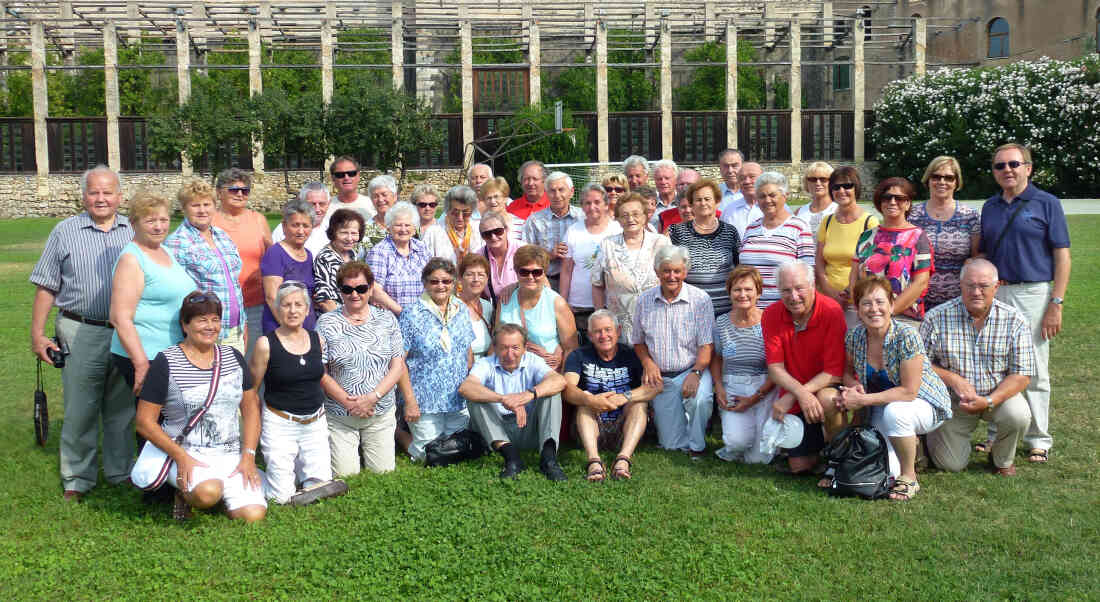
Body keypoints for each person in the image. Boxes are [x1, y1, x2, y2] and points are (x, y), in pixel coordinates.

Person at [30, 165, 134, 501]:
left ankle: (121, 473)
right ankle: (77, 477)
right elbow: (46, 285)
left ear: (120, 196)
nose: (101, 198)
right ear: (83, 196)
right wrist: (37, 335)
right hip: (79, 329)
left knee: (121, 409)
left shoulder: (134, 231)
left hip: (124, 332)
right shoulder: (64, 231)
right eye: (94, 192)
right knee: (80, 408)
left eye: (107, 192)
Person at [132, 292, 266, 522]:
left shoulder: (233, 357)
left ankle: (226, 492)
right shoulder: (166, 361)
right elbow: (144, 422)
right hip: (186, 453)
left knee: (254, 515)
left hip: (230, 453)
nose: (210, 326)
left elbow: (251, 407)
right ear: (185, 325)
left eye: (215, 320)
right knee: (207, 493)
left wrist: (249, 456)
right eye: (202, 320)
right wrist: (180, 456)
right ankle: (185, 494)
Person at [979, 143, 1070, 465]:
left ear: (1027, 168)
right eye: (999, 166)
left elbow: (1062, 255)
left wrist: (1055, 303)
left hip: (1033, 293)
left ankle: (1038, 438)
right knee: (994, 364)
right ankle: (996, 434)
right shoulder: (989, 207)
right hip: (996, 293)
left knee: (1034, 366)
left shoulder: (1046, 203)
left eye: (1013, 164)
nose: (1007, 170)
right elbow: (985, 254)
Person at [839, 275, 951, 500]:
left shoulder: (907, 336)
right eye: (866, 303)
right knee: (886, 471)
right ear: (858, 309)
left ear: (891, 305)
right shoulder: (854, 337)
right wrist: (853, 387)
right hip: (881, 406)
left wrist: (862, 401)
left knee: (896, 412)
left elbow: (909, 392)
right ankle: (910, 452)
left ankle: (910, 478)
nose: (874, 309)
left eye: (880, 302)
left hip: (923, 403)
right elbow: (847, 372)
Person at [922, 259, 1036, 477]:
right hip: (952, 401)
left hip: (996, 397)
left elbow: (1022, 375)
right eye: (970, 285)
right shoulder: (936, 318)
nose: (976, 292)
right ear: (960, 285)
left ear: (997, 287)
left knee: (1018, 414)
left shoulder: (1015, 320)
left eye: (983, 286)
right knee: (951, 465)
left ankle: (1001, 459)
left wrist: (989, 400)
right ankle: (932, 440)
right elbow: (919, 364)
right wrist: (953, 379)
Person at [249, 281, 346, 505]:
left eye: (298, 304)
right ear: (277, 308)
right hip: (281, 423)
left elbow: (319, 376)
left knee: (320, 488)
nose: (292, 311)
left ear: (307, 309)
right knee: (282, 497)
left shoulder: (317, 339)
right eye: (286, 305)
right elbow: (252, 390)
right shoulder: (266, 344)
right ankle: (254, 472)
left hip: (314, 422)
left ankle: (303, 474)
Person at [316, 262, 407, 476]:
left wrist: (372, 397)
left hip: (379, 411)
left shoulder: (387, 319)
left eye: (361, 288)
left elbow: (397, 365)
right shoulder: (326, 323)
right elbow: (320, 370)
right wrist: (348, 402)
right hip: (341, 414)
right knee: (346, 474)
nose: (354, 294)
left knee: (383, 472)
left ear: (371, 288)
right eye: (347, 289)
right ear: (340, 291)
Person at [110, 190, 197, 395]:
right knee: (153, 422)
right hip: (147, 354)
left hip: (170, 351)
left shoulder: (163, 250)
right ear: (134, 223)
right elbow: (120, 318)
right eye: (150, 221)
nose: (159, 227)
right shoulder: (132, 259)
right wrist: (140, 364)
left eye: (163, 220)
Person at [631, 245, 715, 458]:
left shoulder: (701, 299)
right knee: (671, 444)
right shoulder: (644, 300)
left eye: (677, 271)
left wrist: (696, 373)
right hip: (662, 378)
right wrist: (648, 364)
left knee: (700, 399)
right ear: (657, 272)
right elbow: (638, 342)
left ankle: (698, 447)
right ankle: (685, 423)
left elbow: (706, 345)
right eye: (666, 270)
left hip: (691, 368)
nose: (672, 276)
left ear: (685, 272)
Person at [763, 261, 846, 475]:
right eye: (786, 290)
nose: (793, 296)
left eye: (799, 288)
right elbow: (775, 368)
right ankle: (820, 448)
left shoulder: (831, 311)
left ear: (812, 285)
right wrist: (799, 393)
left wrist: (796, 395)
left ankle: (840, 456)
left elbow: (834, 372)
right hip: (797, 391)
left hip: (824, 387)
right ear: (778, 290)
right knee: (800, 468)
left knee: (827, 399)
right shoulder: (771, 314)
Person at [459, 324, 568, 480]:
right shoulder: (485, 363)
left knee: (552, 394)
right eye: (503, 348)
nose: (510, 354)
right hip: (497, 431)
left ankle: (548, 459)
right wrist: (503, 399)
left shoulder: (533, 361)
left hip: (528, 428)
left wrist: (528, 395)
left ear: (525, 348)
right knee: (475, 398)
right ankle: (512, 458)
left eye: (515, 348)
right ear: (495, 348)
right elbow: (466, 388)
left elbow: (559, 381)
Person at [563, 310, 657, 481]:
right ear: (590, 335)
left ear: (618, 331)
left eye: (608, 330)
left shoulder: (631, 355)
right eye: (597, 331)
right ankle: (594, 461)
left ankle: (623, 459)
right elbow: (567, 389)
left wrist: (624, 396)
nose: (603, 335)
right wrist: (590, 399)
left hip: (625, 425)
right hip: (591, 426)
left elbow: (655, 387)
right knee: (584, 404)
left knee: (639, 404)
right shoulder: (578, 356)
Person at [398, 259, 476, 460]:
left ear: (453, 283)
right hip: (424, 399)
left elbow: (468, 352)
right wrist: (410, 401)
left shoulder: (461, 309)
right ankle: (397, 433)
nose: (441, 286)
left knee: (458, 449)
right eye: (434, 281)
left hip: (456, 398)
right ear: (424, 283)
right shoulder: (411, 313)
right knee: (430, 456)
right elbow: (399, 361)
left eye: (446, 281)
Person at [164, 179, 247, 353]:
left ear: (214, 206)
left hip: (233, 329)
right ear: (184, 208)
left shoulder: (222, 236)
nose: (202, 210)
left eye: (206, 204)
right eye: (195, 205)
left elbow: (233, 283)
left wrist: (242, 322)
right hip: (204, 333)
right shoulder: (177, 242)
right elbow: (173, 293)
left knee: (235, 379)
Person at [709, 266, 777, 464]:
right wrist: (719, 387)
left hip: (765, 385)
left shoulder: (770, 321)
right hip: (733, 385)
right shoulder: (721, 323)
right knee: (737, 443)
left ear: (759, 292)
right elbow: (717, 358)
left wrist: (755, 397)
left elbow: (777, 367)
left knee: (759, 459)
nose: (743, 295)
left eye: (748, 289)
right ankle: (736, 443)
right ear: (729, 292)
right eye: (737, 289)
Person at [850, 177, 933, 323]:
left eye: (899, 198)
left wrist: (888, 311)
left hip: (904, 318)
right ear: (880, 202)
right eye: (887, 198)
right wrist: (862, 310)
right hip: (867, 318)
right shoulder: (866, 237)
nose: (893, 202)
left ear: (907, 204)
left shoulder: (918, 237)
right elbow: (854, 278)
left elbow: (920, 282)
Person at [592, 193, 670, 344]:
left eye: (636, 214)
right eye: (624, 215)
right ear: (618, 219)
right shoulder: (606, 245)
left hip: (658, 322)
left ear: (645, 216)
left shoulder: (661, 243)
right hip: (619, 327)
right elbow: (597, 284)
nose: (630, 219)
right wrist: (600, 316)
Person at [212, 167, 272, 357]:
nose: (240, 194)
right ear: (219, 192)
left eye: (245, 190)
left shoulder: (258, 220)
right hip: (221, 307)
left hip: (255, 304)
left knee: (254, 361)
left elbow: (272, 257)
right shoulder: (210, 220)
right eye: (233, 189)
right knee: (224, 360)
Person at [909, 156, 979, 311]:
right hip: (916, 301)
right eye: (936, 177)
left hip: (958, 303)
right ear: (928, 180)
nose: (942, 182)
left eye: (948, 178)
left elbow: (977, 256)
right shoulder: (912, 215)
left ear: (956, 182)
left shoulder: (970, 216)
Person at [739, 171, 816, 308]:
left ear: (785, 196)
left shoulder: (799, 227)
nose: (767, 200)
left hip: (784, 310)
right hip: (751, 310)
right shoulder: (751, 228)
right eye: (762, 196)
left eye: (772, 195)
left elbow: (808, 274)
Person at [814, 166, 879, 327]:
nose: (841, 191)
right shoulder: (827, 221)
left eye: (847, 186)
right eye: (836, 187)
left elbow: (870, 267)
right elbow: (820, 261)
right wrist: (829, 291)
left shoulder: (869, 223)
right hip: (826, 298)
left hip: (856, 301)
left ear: (856, 188)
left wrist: (850, 292)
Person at [497, 245, 579, 371]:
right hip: (508, 372)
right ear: (516, 272)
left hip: (546, 374)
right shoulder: (505, 300)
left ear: (544, 272)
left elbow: (571, 349)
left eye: (536, 272)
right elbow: (495, 341)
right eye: (524, 272)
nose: (530, 277)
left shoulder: (557, 303)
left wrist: (562, 381)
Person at [668, 179, 742, 315]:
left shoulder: (730, 231)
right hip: (690, 310)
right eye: (698, 200)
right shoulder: (677, 232)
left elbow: (738, 267)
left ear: (717, 202)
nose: (703, 203)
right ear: (691, 204)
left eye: (707, 199)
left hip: (725, 310)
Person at [560, 183, 622, 339]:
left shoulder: (618, 229)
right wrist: (563, 301)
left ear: (606, 205)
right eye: (587, 203)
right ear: (581, 206)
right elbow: (567, 270)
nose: (592, 207)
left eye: (597, 202)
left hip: (611, 302)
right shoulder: (573, 231)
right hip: (580, 305)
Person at [261, 198, 319, 334]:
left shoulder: (308, 255)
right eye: (295, 225)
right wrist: (292, 330)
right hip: (282, 330)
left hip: (306, 328)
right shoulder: (275, 253)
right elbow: (272, 297)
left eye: (305, 226)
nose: (300, 231)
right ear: (284, 226)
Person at [521, 171, 584, 291]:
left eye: (561, 190)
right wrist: (548, 255)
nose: (557, 195)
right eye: (552, 191)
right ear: (546, 194)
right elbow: (524, 256)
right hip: (547, 282)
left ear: (571, 192)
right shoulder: (534, 221)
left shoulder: (583, 218)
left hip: (578, 282)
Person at [365, 200, 431, 311]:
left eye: (407, 225)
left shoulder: (422, 248)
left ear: (414, 228)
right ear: (389, 227)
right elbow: (375, 290)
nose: (403, 229)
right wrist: (402, 313)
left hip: (423, 314)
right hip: (391, 317)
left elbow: (432, 280)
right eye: (398, 225)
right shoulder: (379, 252)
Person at [312, 208, 366, 314]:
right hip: (335, 319)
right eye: (344, 233)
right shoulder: (325, 258)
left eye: (354, 233)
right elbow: (324, 300)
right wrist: (346, 322)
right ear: (333, 233)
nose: (350, 238)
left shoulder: (352, 254)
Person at [422, 185, 484, 264]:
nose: (460, 218)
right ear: (447, 211)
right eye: (455, 213)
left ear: (472, 211)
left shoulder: (479, 229)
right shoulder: (433, 233)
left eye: (466, 213)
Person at [273, 182, 332, 257]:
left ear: (329, 203)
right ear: (301, 202)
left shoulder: (334, 229)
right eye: (312, 204)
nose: (317, 209)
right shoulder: (283, 230)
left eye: (322, 204)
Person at [478, 211, 522, 305]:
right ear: (482, 237)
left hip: (524, 307)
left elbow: (541, 280)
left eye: (498, 231)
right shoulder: (478, 257)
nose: (493, 237)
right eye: (487, 234)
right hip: (496, 310)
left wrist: (516, 285)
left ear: (506, 229)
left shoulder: (523, 250)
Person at [457, 254, 495, 360]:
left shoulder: (488, 307)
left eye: (481, 275)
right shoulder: (452, 307)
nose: (476, 279)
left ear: (487, 279)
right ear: (460, 278)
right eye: (470, 274)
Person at [328, 155, 376, 222]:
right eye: (340, 175)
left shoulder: (373, 205)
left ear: (358, 176)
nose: (346, 178)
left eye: (351, 173)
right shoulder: (325, 208)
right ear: (333, 178)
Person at [506, 160, 550, 229]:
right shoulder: (512, 207)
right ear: (521, 181)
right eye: (526, 179)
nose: (530, 183)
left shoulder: (554, 206)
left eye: (535, 179)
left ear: (544, 181)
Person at [795, 161, 836, 234]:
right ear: (806, 183)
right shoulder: (798, 213)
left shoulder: (839, 211)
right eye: (812, 179)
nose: (818, 183)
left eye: (823, 179)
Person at [362, 174, 399, 249]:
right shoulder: (365, 229)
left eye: (384, 194)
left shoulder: (409, 224)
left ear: (395, 197)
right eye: (375, 196)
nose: (380, 199)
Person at [649, 160, 678, 228]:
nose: (663, 182)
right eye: (659, 179)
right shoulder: (648, 205)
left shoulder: (684, 204)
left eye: (667, 178)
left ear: (676, 179)